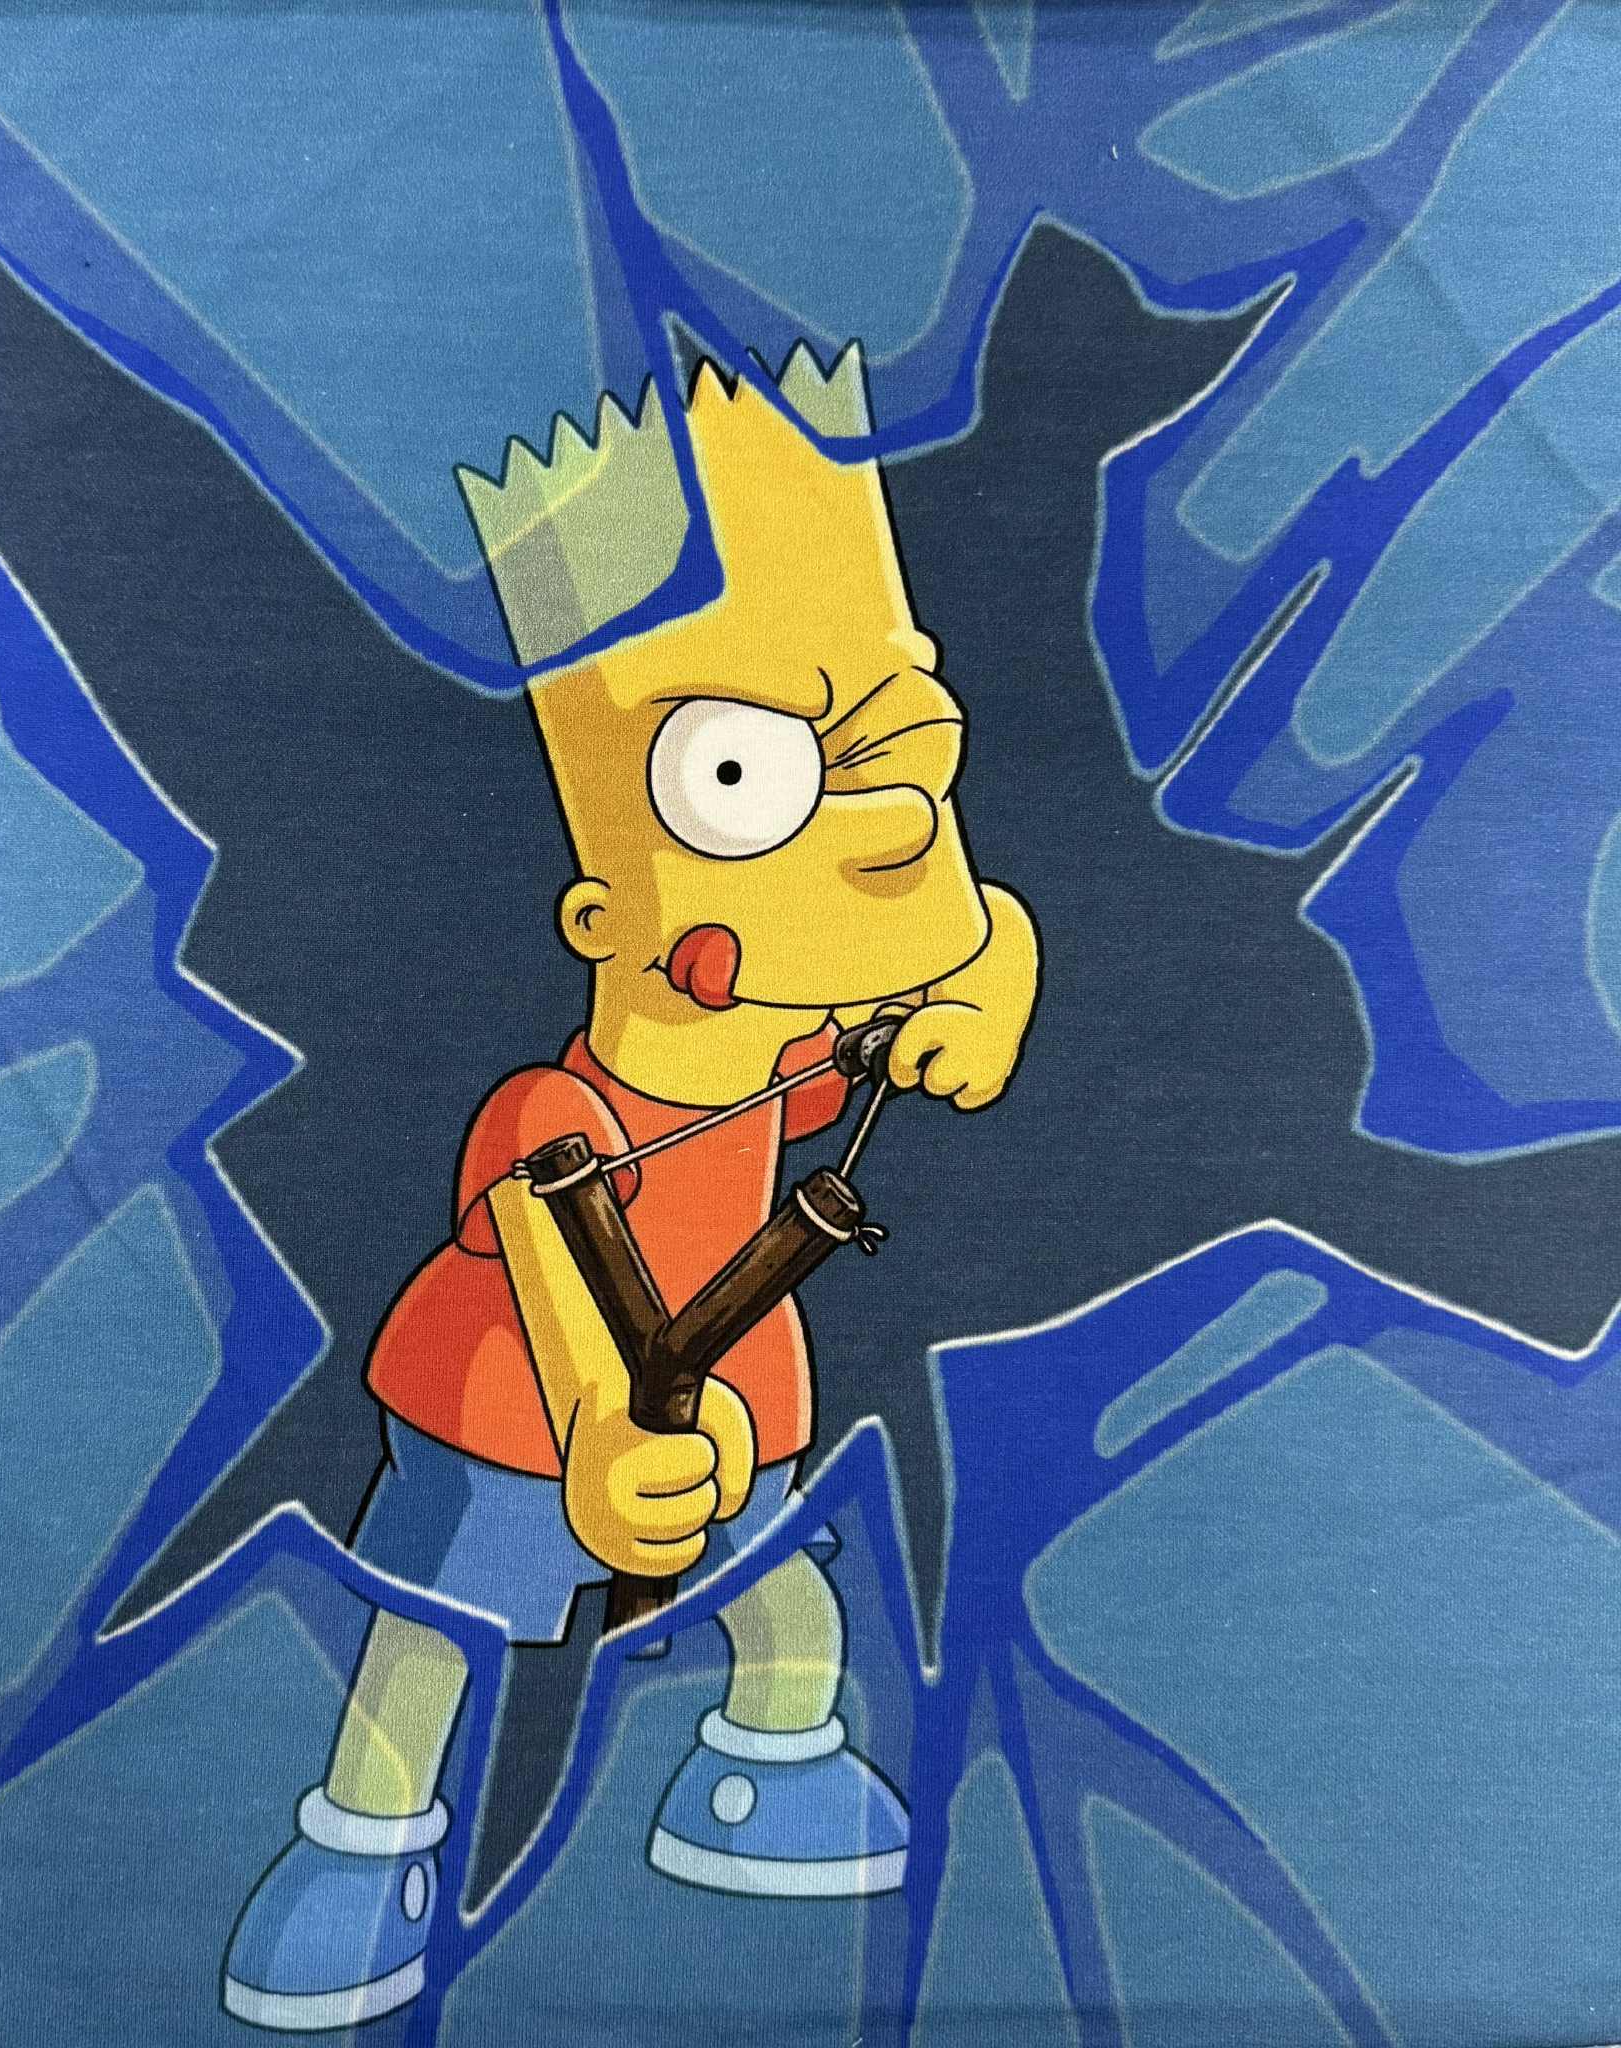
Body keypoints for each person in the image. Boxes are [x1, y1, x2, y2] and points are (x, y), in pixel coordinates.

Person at [223, 342, 1040, 2031]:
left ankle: (767, 1770)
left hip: (733, 1396)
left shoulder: (779, 1056)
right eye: (743, 780)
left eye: (907, 769)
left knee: (780, 1601)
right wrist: (598, 1427)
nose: (890, 835)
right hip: (513, 1411)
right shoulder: (556, 1113)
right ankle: (362, 1849)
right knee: (438, 1624)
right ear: (603, 917)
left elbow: (972, 953)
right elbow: (545, 1260)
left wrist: (991, 989)